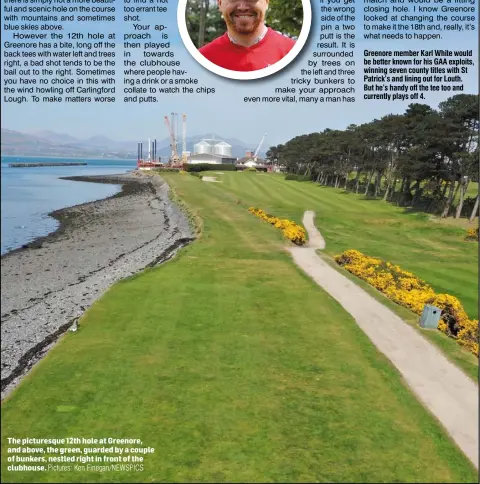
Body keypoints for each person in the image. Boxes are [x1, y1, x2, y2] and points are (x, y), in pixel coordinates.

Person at [199, 0, 296, 72]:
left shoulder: (295, 54)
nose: (242, 7)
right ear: (220, 3)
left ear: (266, 2)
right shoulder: (201, 61)